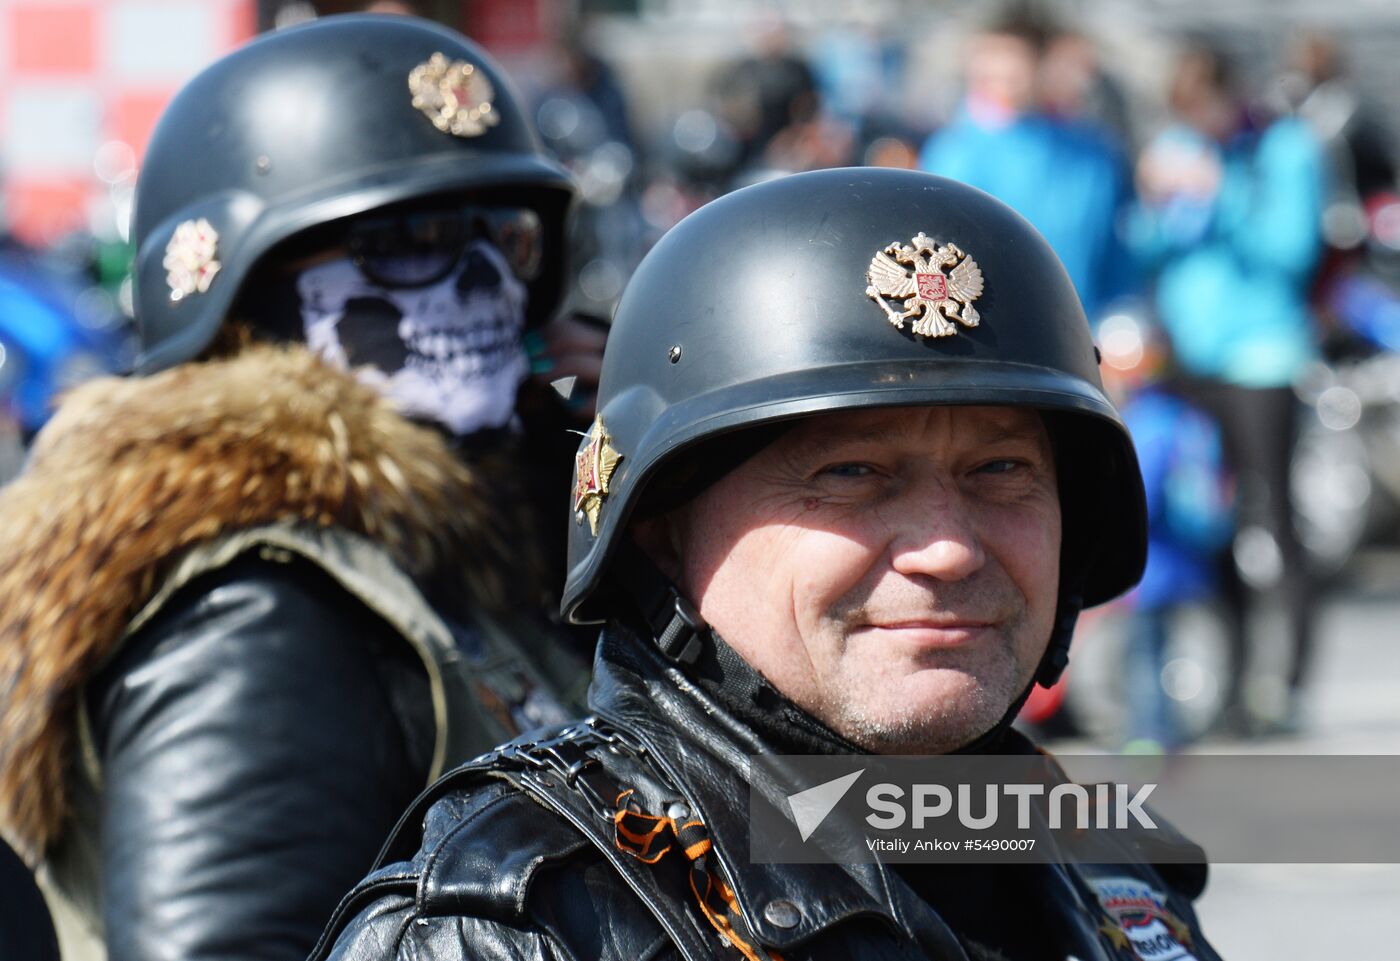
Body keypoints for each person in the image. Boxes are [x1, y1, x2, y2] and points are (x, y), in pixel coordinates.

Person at [312, 168, 1225, 961]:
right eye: (851, 474)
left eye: (1001, 470)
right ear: (660, 531)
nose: (948, 547)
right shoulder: (512, 930)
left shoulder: (1103, 871)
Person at [0, 15, 597, 961]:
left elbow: (820, 816)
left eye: (505, 238)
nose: (483, 282)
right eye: (420, 236)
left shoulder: (460, 540)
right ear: (239, 287)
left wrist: (645, 509)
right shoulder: (257, 617)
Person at [1129, 39, 1325, 732]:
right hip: (1194, 363)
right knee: (1207, 520)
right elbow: (1147, 251)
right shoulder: (1179, 146)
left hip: (1264, 359)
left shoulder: (1284, 149)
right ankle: (1236, 680)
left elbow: (1293, 251)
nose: (1195, 120)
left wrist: (1223, 191)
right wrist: (1154, 199)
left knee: (1273, 521)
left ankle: (1287, 684)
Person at [919, 4, 1133, 321]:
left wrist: (1122, 317)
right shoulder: (953, 154)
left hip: (1082, 330)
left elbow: (1118, 250)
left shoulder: (1092, 155)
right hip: (991, 336)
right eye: (994, 68)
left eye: (1017, 67)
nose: (1006, 81)